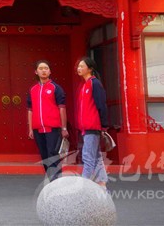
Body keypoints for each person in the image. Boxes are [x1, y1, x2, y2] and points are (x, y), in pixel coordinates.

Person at [26, 60, 68, 181]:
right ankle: (51, 181)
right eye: (41, 68)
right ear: (36, 72)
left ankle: (57, 182)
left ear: (50, 71)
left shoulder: (56, 88)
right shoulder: (33, 90)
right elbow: (30, 110)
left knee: (52, 155)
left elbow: (62, 108)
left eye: (46, 68)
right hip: (38, 128)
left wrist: (64, 127)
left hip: (53, 128)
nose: (43, 70)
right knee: (44, 156)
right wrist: (30, 128)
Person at [75, 56, 110, 188]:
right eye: (78, 66)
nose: (79, 68)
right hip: (86, 127)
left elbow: (101, 105)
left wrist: (103, 125)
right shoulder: (85, 85)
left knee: (87, 156)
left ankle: (84, 185)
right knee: (95, 156)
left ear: (89, 69)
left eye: (82, 66)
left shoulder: (94, 84)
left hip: (92, 126)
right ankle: (102, 182)